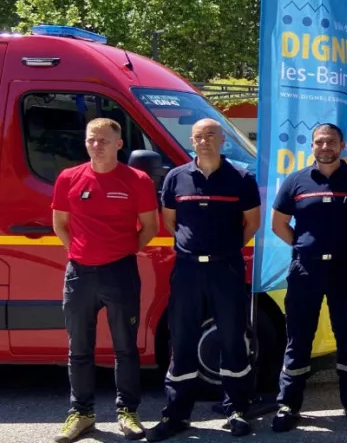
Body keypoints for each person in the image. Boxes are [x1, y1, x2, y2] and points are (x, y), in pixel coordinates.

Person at [144, 120, 262, 441]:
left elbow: (252, 222)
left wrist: (226, 247)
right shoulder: (176, 178)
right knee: (181, 340)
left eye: (211, 135)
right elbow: (171, 222)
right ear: (191, 142)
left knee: (232, 339)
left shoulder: (241, 178)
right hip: (188, 270)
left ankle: (236, 408)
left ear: (223, 139)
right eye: (198, 137)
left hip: (227, 269)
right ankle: (177, 414)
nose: (204, 141)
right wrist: (194, 247)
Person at [51, 118, 160, 443]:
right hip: (79, 275)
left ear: (118, 144)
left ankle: (128, 412)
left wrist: (121, 253)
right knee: (79, 348)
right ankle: (81, 414)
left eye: (103, 140)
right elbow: (61, 225)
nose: (96, 145)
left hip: (120, 273)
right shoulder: (68, 178)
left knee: (125, 348)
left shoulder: (137, 180)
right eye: (91, 140)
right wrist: (82, 255)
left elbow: (150, 228)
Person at [270, 123, 347, 432]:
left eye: (330, 141)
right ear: (312, 146)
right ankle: (287, 404)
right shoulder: (296, 181)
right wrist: (302, 245)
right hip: (305, 269)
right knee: (299, 337)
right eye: (319, 142)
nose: (324, 146)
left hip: (344, 268)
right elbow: (278, 223)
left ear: (342, 144)